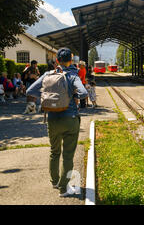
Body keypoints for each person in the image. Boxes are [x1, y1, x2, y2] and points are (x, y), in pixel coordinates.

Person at [26, 48, 88, 197]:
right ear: (70, 61)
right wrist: (73, 96)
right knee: (67, 155)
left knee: (54, 152)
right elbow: (83, 93)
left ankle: (54, 182)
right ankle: (64, 188)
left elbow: (30, 91)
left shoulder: (48, 75)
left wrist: (46, 96)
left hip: (52, 119)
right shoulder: (73, 76)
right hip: (70, 118)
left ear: (57, 61)